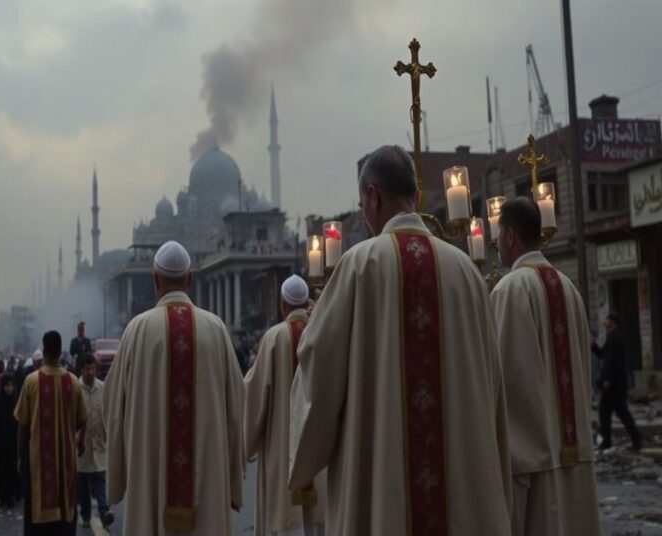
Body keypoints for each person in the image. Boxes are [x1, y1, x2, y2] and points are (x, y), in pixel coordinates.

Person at [288, 146, 511, 534]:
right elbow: (491, 381)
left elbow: (317, 364)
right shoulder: (467, 273)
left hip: (381, 491)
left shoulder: (358, 266)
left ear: (373, 197)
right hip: (459, 485)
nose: (363, 213)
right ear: (417, 196)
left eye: (362, 205)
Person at [104, 240, 246, 535]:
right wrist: (232, 477)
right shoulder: (217, 330)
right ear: (190, 278)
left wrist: (119, 475)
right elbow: (237, 409)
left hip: (151, 480)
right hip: (206, 486)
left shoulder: (136, 331)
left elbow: (113, 408)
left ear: (155, 279)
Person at [492, 196, 600, 535]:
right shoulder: (569, 289)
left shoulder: (511, 289)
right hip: (575, 450)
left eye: (497, 236)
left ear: (510, 235)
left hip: (531, 464)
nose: (495, 245)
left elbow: (508, 379)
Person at [244, 275, 324, 536]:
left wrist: (244, 446)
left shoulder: (274, 339)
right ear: (306, 301)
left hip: (282, 454)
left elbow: (253, 398)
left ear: (283, 305)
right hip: (318, 456)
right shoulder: (322, 333)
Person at [15, 331, 87, 535]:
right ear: (61, 351)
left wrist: (20, 457)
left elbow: (22, 424)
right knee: (66, 515)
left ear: (44, 351)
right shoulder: (73, 382)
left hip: (38, 463)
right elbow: (82, 419)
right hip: (67, 463)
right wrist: (79, 443)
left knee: (37, 519)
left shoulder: (31, 381)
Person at [593, 311, 643, 451]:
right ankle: (634, 439)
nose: (604, 322)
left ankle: (610, 441)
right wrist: (593, 345)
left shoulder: (615, 337)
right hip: (616, 383)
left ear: (613, 322)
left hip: (614, 384)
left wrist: (605, 380)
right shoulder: (613, 336)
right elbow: (603, 354)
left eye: (607, 320)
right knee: (618, 412)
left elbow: (612, 362)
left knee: (608, 413)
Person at [76, 355, 113, 529]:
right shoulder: (75, 388)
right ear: (81, 370)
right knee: (83, 482)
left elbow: (107, 412)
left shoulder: (103, 387)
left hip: (99, 441)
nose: (90, 372)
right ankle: (86, 515)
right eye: (87, 369)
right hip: (81, 444)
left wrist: (108, 433)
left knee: (100, 479)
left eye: (92, 368)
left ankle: (104, 511)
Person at [0, 375, 21, 510]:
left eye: (11, 385)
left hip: (14, 441)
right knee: (3, 470)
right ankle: (4, 497)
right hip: (2, 442)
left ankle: (13, 495)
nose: (9, 388)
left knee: (12, 469)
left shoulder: (15, 399)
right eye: (6, 385)